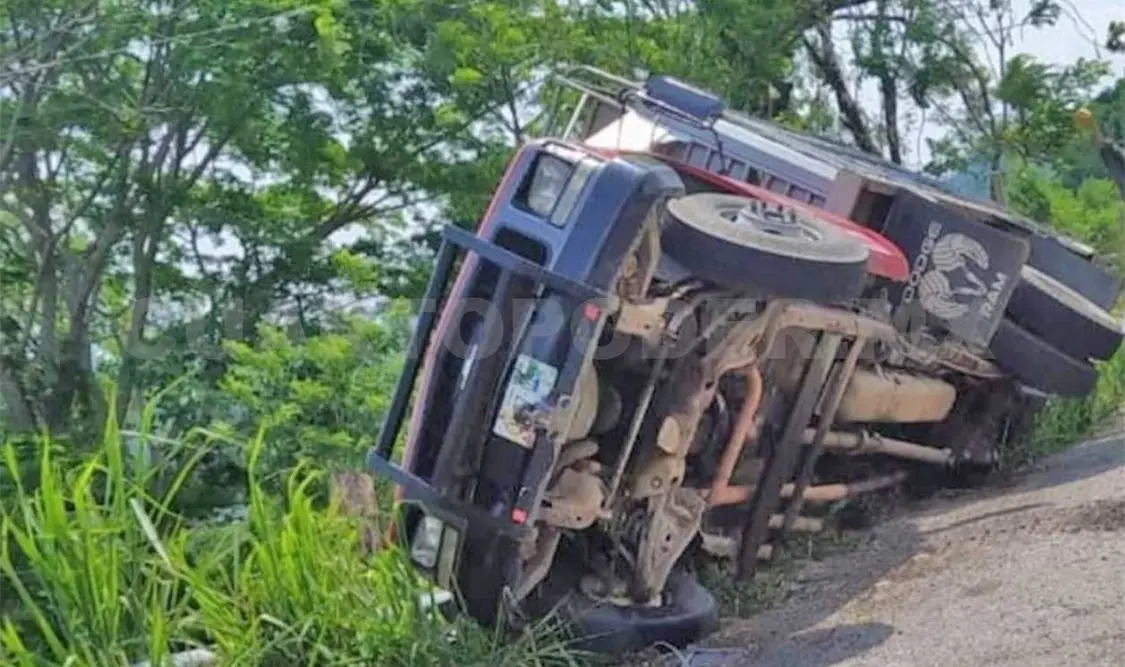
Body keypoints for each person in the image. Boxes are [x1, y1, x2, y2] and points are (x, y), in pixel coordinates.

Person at [1075, 107, 1125, 201]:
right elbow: (1100, 143)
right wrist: (1092, 126)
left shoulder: (1112, 151)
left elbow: (1100, 142)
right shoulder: (1110, 153)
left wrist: (1092, 125)